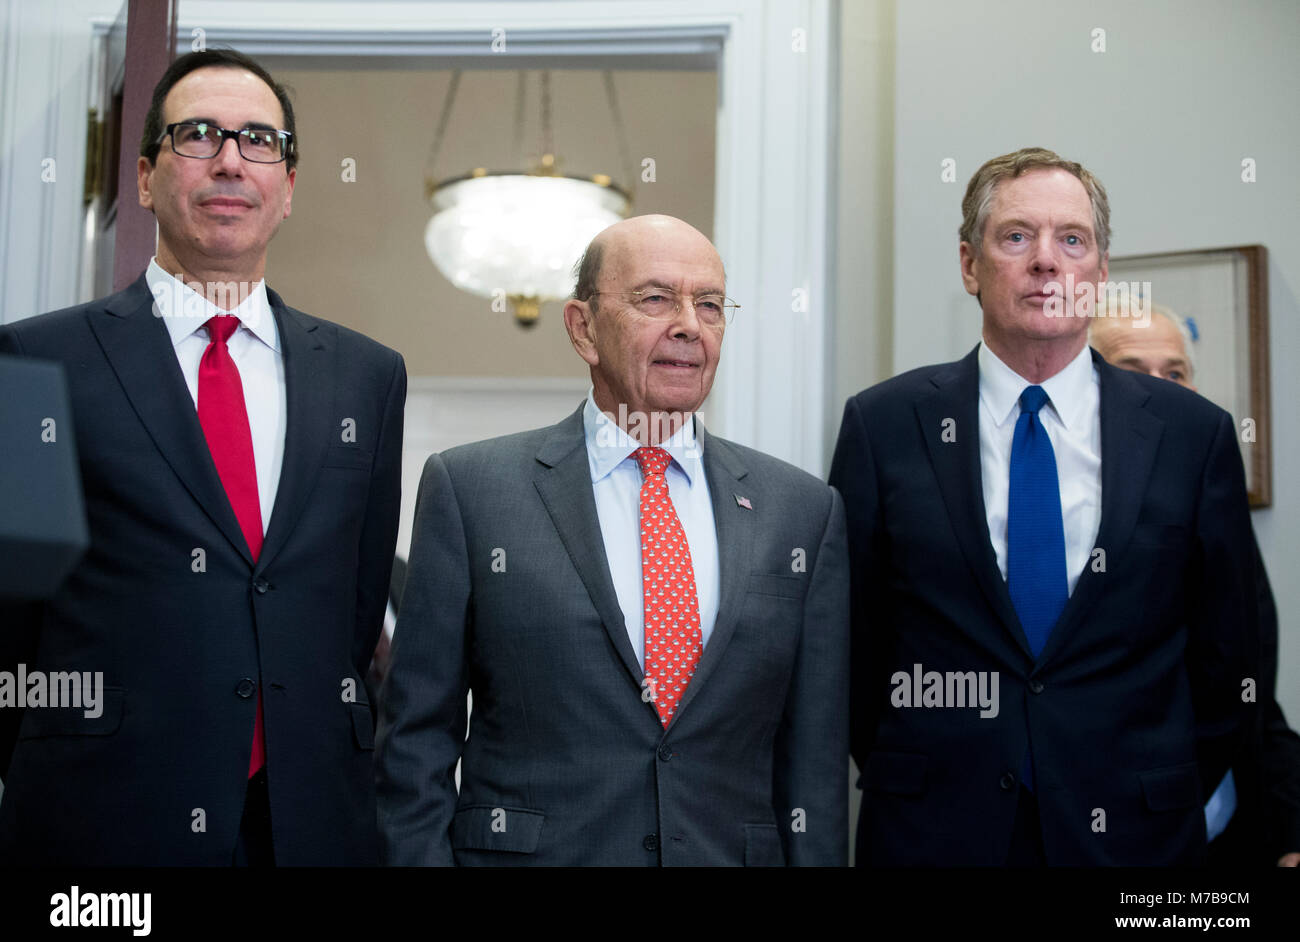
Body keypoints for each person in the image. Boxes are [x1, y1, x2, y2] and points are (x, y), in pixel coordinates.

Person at [0, 49, 406, 865]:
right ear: (145, 178)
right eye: (198, 135)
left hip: (308, 821)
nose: (229, 159)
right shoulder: (33, 364)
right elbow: (14, 618)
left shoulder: (368, 375)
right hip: (101, 822)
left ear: (287, 188)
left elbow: (354, 612)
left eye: (259, 140)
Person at [829, 147, 1258, 865]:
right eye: (1017, 236)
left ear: (1101, 270)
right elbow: (852, 646)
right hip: (935, 830)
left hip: (1137, 834)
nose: (1046, 262)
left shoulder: (1193, 434)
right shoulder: (884, 424)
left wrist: (1160, 779)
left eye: (1072, 239)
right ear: (970, 265)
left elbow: (1229, 654)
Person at [376, 214, 848, 865]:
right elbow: (414, 744)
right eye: (655, 298)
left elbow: (814, 768)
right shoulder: (473, 490)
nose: (689, 323)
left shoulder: (801, 512)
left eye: (709, 304)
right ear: (583, 328)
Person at [1091, 306, 1300, 867]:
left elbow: (1246, 680)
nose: (1159, 391)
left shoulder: (1210, 493)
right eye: (1133, 371)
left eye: (1175, 373)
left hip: (1211, 822)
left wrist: (1288, 826)